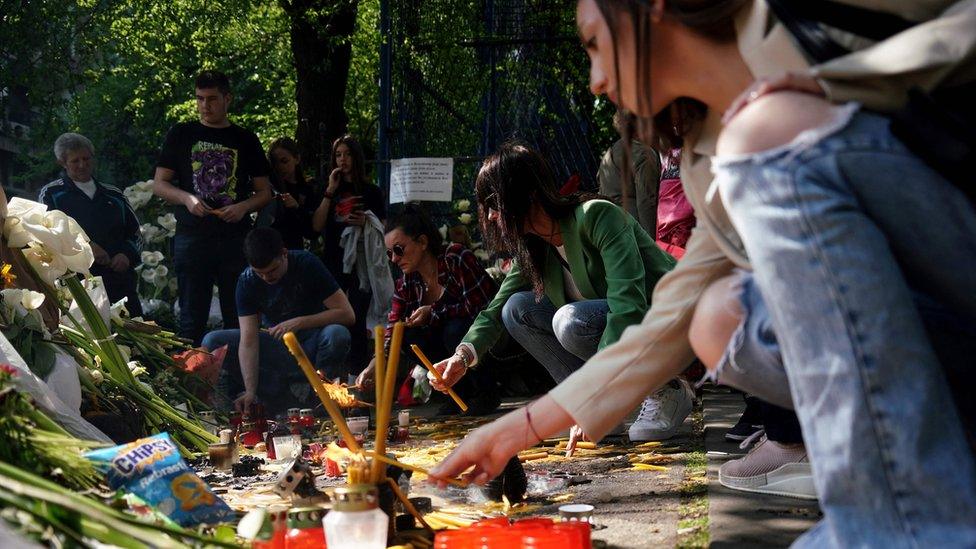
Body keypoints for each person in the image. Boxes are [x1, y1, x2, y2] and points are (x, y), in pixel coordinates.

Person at [432, 0, 976, 545]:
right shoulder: (703, 154)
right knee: (717, 317)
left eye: (595, 43)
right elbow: (671, 315)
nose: (596, 81)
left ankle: (910, 515)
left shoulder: (776, 38)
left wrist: (824, 83)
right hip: (915, 319)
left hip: (949, 252)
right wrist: (519, 428)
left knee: (762, 130)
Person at [429, 142, 684, 441]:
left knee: (571, 321)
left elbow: (627, 307)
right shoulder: (534, 248)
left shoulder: (597, 216)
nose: (490, 218)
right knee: (516, 309)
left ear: (526, 194)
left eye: (494, 204)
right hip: (626, 332)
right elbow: (496, 310)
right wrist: (461, 357)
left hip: (669, 323)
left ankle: (664, 389)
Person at [152, 70, 273, 345]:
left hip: (235, 238)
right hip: (192, 237)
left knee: (238, 314)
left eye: (212, 99)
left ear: (227, 98)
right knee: (191, 318)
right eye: (199, 99)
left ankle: (238, 380)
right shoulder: (181, 134)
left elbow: (265, 192)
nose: (205, 105)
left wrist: (243, 207)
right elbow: (159, 185)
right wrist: (187, 198)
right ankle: (189, 381)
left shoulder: (245, 139)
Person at [355, 205, 501, 414]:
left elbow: (479, 308)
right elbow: (394, 326)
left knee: (455, 329)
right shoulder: (406, 282)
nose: (394, 259)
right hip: (447, 346)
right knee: (405, 334)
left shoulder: (455, 258)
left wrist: (432, 312)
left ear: (422, 242)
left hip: (486, 342)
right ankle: (456, 393)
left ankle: (486, 391)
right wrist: (374, 364)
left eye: (398, 249)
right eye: (389, 254)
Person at [202, 227, 353, 414]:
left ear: (284, 254)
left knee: (337, 334)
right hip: (279, 350)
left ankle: (320, 401)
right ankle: (279, 401)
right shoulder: (247, 281)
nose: (267, 278)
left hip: (314, 345)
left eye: (272, 270)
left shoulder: (307, 263)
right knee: (213, 341)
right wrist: (250, 390)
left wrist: (299, 322)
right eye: (260, 273)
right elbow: (248, 341)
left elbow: (347, 314)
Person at [312, 135, 391, 378]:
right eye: (338, 155)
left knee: (358, 317)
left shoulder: (371, 191)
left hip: (362, 265)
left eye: (347, 154)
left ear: (356, 158)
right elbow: (316, 226)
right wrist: (329, 191)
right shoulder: (327, 189)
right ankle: (332, 373)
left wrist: (367, 221)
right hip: (334, 262)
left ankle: (358, 375)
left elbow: (383, 228)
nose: (343, 160)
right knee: (334, 317)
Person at [39, 133, 143, 317]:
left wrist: (126, 254)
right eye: (75, 160)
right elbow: (46, 233)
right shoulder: (51, 194)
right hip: (76, 285)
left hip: (119, 283)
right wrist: (85, 247)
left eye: (86, 159)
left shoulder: (114, 195)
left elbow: (136, 233)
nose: (82, 165)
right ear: (63, 163)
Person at [597, 110, 660, 236]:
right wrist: (652, 244)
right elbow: (647, 201)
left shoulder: (610, 153)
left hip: (612, 228)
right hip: (635, 228)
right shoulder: (643, 154)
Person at [266, 137, 320, 250]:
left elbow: (311, 232)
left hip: (294, 251)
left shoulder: (307, 189)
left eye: (284, 161)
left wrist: (297, 207)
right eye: (275, 163)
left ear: (297, 159)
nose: (280, 167)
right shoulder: (269, 188)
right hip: (270, 249)